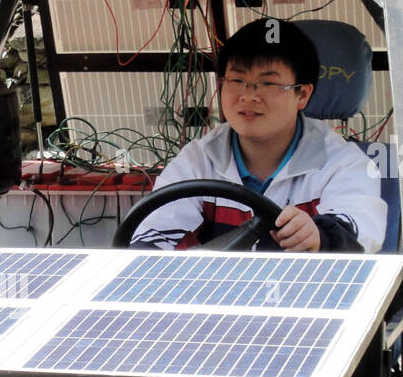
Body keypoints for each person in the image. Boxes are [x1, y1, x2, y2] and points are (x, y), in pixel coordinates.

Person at [130, 18, 386, 253]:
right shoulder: (197, 161)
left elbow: (358, 229)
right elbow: (154, 235)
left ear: (302, 95)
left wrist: (317, 236)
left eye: (268, 83)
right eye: (237, 80)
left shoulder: (343, 163)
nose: (249, 95)